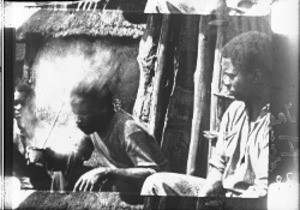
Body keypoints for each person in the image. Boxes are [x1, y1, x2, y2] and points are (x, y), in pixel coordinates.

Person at [141, 31, 272, 198]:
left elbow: (264, 192)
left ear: (256, 76)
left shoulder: (275, 122)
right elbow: (218, 167)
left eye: (231, 75)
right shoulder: (234, 111)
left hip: (250, 201)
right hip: (224, 195)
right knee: (156, 184)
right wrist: (205, 196)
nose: (224, 81)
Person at [27, 81, 168, 193]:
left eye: (83, 113)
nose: (78, 120)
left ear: (104, 109)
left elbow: (153, 173)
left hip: (156, 191)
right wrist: (48, 157)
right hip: (125, 185)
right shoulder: (93, 127)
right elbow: (75, 159)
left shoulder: (128, 129)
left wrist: (107, 172)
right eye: (75, 113)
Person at [13, 82, 52, 189]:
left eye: (23, 103)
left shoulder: (44, 129)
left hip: (41, 186)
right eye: (15, 103)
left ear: (32, 105)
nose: (19, 107)